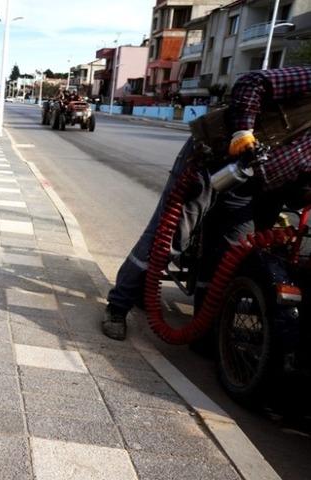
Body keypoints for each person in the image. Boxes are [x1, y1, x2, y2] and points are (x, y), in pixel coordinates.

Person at [103, 66, 311, 341]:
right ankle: (118, 307)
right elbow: (252, 82)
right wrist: (243, 132)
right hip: (215, 156)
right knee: (170, 237)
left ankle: (205, 329)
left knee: (229, 255)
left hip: (254, 186)